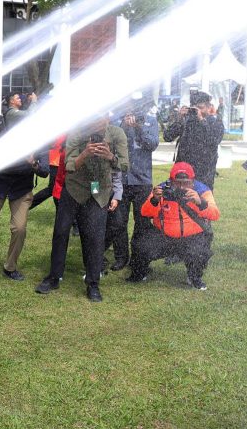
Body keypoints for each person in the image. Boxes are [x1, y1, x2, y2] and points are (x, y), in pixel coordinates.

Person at [35, 116, 129, 302]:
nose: (97, 123)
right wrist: (85, 153)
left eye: (101, 119)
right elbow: (69, 166)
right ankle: (54, 277)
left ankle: (93, 283)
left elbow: (125, 165)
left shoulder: (117, 133)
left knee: (95, 237)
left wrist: (110, 156)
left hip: (98, 190)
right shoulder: (78, 131)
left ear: (107, 118)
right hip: (74, 188)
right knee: (61, 231)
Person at [127, 162, 220, 290]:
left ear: (193, 181)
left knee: (200, 252)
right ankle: (141, 272)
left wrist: (200, 202)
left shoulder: (202, 190)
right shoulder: (162, 189)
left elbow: (215, 214)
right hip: (164, 235)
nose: (182, 187)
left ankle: (194, 277)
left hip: (192, 236)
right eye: (177, 182)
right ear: (171, 180)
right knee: (141, 246)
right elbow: (145, 212)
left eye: (186, 183)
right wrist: (154, 200)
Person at [105, 103, 159, 271]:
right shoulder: (118, 121)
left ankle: (139, 257)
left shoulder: (150, 121)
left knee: (142, 222)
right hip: (121, 179)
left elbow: (152, 145)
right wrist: (123, 124)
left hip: (142, 180)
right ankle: (121, 257)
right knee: (118, 222)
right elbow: (111, 144)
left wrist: (138, 127)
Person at [163, 89, 224, 190]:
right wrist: (180, 118)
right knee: (179, 203)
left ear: (209, 107)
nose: (197, 111)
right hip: (182, 175)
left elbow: (214, 140)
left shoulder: (215, 123)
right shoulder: (186, 121)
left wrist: (201, 120)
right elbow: (167, 137)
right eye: (195, 108)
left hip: (204, 175)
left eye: (201, 108)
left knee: (202, 203)